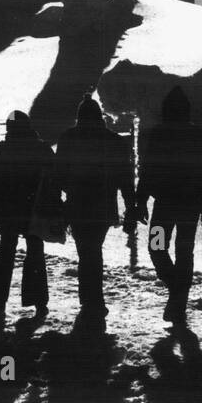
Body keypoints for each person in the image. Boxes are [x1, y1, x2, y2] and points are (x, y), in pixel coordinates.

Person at [54, 94, 135, 322]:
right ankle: (93, 301)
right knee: (93, 250)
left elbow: (58, 176)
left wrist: (59, 199)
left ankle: (90, 301)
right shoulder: (115, 140)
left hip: (77, 206)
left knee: (86, 252)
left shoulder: (69, 138)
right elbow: (125, 179)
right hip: (103, 206)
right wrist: (131, 208)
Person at [136, 86, 202, 325]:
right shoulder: (198, 134)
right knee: (184, 251)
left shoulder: (159, 133)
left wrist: (141, 200)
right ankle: (179, 296)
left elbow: (147, 169)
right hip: (190, 205)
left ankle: (176, 292)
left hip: (164, 204)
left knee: (157, 247)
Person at [0, 110, 54, 317]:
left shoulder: (4, 148)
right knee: (35, 252)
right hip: (34, 209)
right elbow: (55, 177)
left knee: (6, 252)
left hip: (8, 209)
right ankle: (38, 300)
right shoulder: (43, 148)